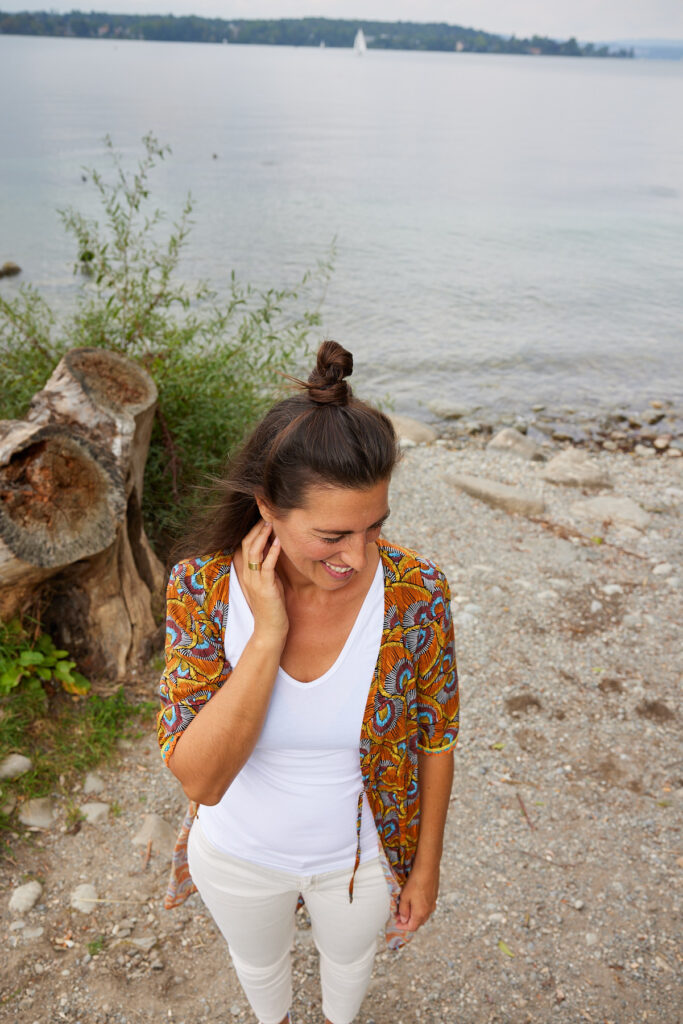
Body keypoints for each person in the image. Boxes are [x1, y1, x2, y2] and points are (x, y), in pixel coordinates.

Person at [157, 341, 459, 1024]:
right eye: (331, 535)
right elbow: (200, 781)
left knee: (349, 968)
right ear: (267, 507)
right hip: (236, 855)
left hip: (359, 860)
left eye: (374, 526)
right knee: (260, 970)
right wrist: (267, 635)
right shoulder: (202, 590)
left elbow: (438, 737)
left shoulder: (416, 593)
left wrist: (424, 868)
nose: (357, 557)